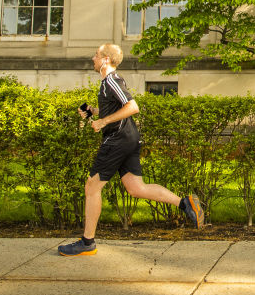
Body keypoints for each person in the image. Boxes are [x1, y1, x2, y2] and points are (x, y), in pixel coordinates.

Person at [58, 43, 203, 257]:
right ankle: (185, 203)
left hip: (117, 140)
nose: (93, 58)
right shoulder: (109, 83)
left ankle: (87, 242)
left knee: (92, 187)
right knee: (136, 188)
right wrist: (93, 112)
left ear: (106, 59)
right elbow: (116, 108)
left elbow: (132, 107)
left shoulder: (112, 81)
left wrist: (103, 121)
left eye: (96, 55)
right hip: (127, 139)